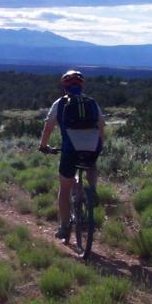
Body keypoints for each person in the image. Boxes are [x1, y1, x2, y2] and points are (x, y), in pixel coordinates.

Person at [39, 70, 105, 241]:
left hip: (70, 149)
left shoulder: (60, 103)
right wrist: (99, 145)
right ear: (82, 85)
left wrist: (43, 146)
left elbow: (48, 127)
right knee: (91, 162)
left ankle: (64, 226)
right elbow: (101, 126)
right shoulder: (92, 103)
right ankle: (92, 189)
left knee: (65, 187)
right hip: (92, 147)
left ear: (64, 86)